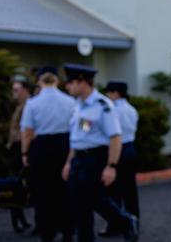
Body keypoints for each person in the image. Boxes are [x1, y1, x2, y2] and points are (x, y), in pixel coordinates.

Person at [61, 64, 138, 242]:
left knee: (97, 199)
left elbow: (115, 137)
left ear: (83, 82)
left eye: (71, 82)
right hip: (78, 159)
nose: (68, 86)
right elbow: (79, 137)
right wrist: (68, 163)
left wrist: (111, 166)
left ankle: (124, 221)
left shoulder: (103, 105)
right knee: (79, 204)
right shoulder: (78, 106)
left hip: (95, 158)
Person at [20, 67, 74, 242]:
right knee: (64, 190)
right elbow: (78, 127)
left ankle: (46, 232)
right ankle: (68, 230)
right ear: (57, 81)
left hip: (42, 147)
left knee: (42, 192)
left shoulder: (33, 103)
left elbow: (27, 131)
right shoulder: (70, 101)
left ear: (39, 81)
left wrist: (25, 152)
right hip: (64, 145)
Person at [98, 81, 140, 237]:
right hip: (130, 148)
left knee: (113, 191)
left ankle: (116, 225)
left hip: (118, 150)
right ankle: (134, 221)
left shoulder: (112, 110)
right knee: (130, 190)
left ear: (116, 93)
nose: (107, 95)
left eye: (109, 92)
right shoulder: (131, 109)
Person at [7, 78, 32, 233]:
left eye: (16, 90)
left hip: (23, 149)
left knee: (21, 186)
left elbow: (26, 131)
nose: (13, 93)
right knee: (17, 186)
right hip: (16, 149)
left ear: (25, 90)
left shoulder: (29, 106)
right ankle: (19, 220)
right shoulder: (20, 106)